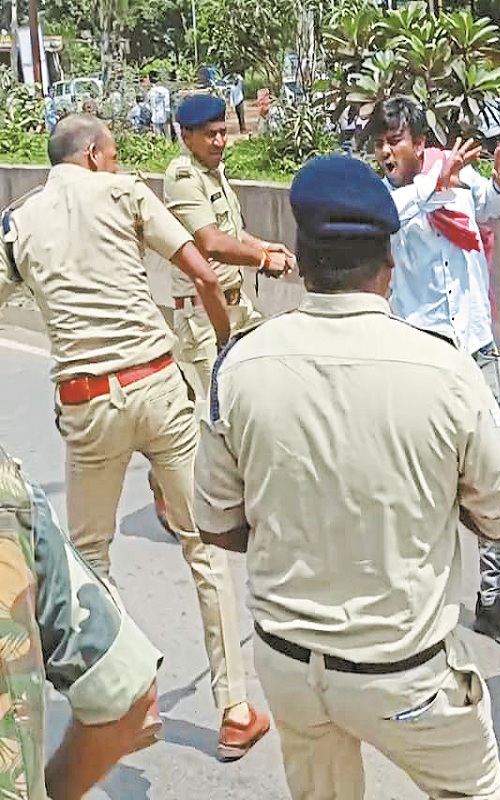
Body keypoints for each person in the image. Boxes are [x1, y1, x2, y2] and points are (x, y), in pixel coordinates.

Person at [195, 154, 500, 800]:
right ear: (391, 263)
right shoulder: (444, 372)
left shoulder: (240, 366)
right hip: (405, 673)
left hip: (288, 664)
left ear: (300, 255)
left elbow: (219, 524)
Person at [0, 114, 271, 762]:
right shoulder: (126, 194)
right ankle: (234, 709)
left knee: (91, 558)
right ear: (93, 155)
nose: (118, 164)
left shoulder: (17, 222)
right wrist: (226, 342)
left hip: (87, 404)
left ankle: (126, 697)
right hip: (156, 386)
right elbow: (204, 272)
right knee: (204, 547)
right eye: (115, 155)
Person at [368, 96, 500, 649]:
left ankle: (492, 596)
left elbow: (491, 204)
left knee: (493, 468)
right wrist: (432, 181)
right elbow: (395, 219)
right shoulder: (385, 201)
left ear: (418, 142)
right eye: (380, 142)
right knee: (425, 479)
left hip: (477, 349)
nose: (386, 150)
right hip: (424, 354)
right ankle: (423, 597)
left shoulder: (456, 183)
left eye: (395, 140)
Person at [0, 443, 164, 800]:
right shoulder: (7, 495)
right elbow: (128, 690)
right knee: (204, 558)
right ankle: (234, 706)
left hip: (92, 410)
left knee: (92, 545)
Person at [163, 93, 294, 403]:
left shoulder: (214, 172)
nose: (219, 142)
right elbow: (212, 243)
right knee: (223, 413)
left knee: (269, 385)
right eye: (210, 135)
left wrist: (264, 245)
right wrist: (262, 260)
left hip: (237, 305)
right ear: (186, 136)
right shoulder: (182, 177)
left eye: (222, 133)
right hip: (203, 316)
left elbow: (230, 231)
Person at [146, 72, 171, 137]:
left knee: (158, 136)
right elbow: (167, 104)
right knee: (167, 136)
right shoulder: (165, 90)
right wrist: (168, 115)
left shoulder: (150, 92)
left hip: (154, 117)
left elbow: (148, 106)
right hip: (164, 115)